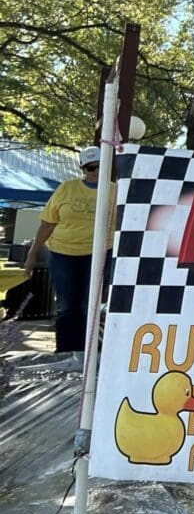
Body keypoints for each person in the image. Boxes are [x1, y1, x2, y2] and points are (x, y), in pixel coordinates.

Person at [24, 146, 113, 371]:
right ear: (82, 168)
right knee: (66, 306)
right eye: (90, 167)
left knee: (88, 305)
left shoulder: (116, 191)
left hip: (98, 254)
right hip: (63, 254)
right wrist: (32, 253)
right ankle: (65, 353)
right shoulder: (67, 189)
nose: (95, 171)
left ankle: (85, 355)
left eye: (100, 166)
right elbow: (47, 223)